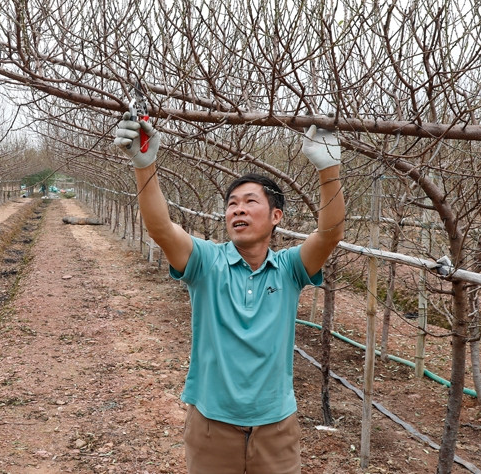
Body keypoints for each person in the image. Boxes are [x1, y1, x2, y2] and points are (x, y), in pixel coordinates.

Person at [114, 113, 345, 473]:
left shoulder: (289, 269)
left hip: (276, 428)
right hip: (211, 425)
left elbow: (329, 234)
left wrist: (328, 170)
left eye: (250, 201)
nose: (238, 208)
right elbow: (161, 228)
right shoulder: (206, 262)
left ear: (276, 216)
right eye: (232, 203)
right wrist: (145, 166)